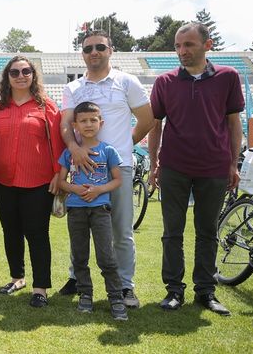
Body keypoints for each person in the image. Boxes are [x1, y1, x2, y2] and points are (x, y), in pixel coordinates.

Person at [147, 22, 244, 316]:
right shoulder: (164, 82)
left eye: (188, 44)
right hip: (174, 167)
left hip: (214, 168)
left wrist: (232, 163)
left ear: (207, 45)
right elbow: (155, 125)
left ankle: (206, 291)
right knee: (171, 232)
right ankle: (174, 291)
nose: (182, 51)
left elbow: (233, 123)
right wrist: (154, 163)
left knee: (207, 232)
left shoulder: (228, 77)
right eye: (178, 46)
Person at [59, 30, 154, 308]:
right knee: (79, 227)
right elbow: (66, 124)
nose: (94, 52)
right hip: (82, 168)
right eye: (88, 49)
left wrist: (123, 146)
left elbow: (147, 120)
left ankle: (125, 286)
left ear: (111, 50)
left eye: (100, 47)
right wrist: (74, 148)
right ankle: (77, 278)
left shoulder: (127, 81)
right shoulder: (73, 88)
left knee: (121, 231)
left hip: (119, 168)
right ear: (83, 54)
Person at [0, 55, 64, 308]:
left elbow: (59, 145)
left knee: (37, 234)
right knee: (11, 232)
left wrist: (58, 174)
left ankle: (40, 287)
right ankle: (17, 277)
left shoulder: (47, 107)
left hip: (39, 182)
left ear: (33, 75)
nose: (21, 76)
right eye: (15, 72)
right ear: (7, 77)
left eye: (26, 71)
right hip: (3, 181)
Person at [58, 102, 127, 321]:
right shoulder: (68, 154)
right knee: (79, 256)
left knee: (106, 256)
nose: (88, 124)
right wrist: (74, 188)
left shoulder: (108, 150)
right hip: (76, 210)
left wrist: (98, 190)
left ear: (101, 123)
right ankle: (85, 294)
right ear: (75, 125)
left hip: (100, 209)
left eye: (93, 120)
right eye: (83, 120)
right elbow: (61, 182)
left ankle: (115, 297)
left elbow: (117, 180)